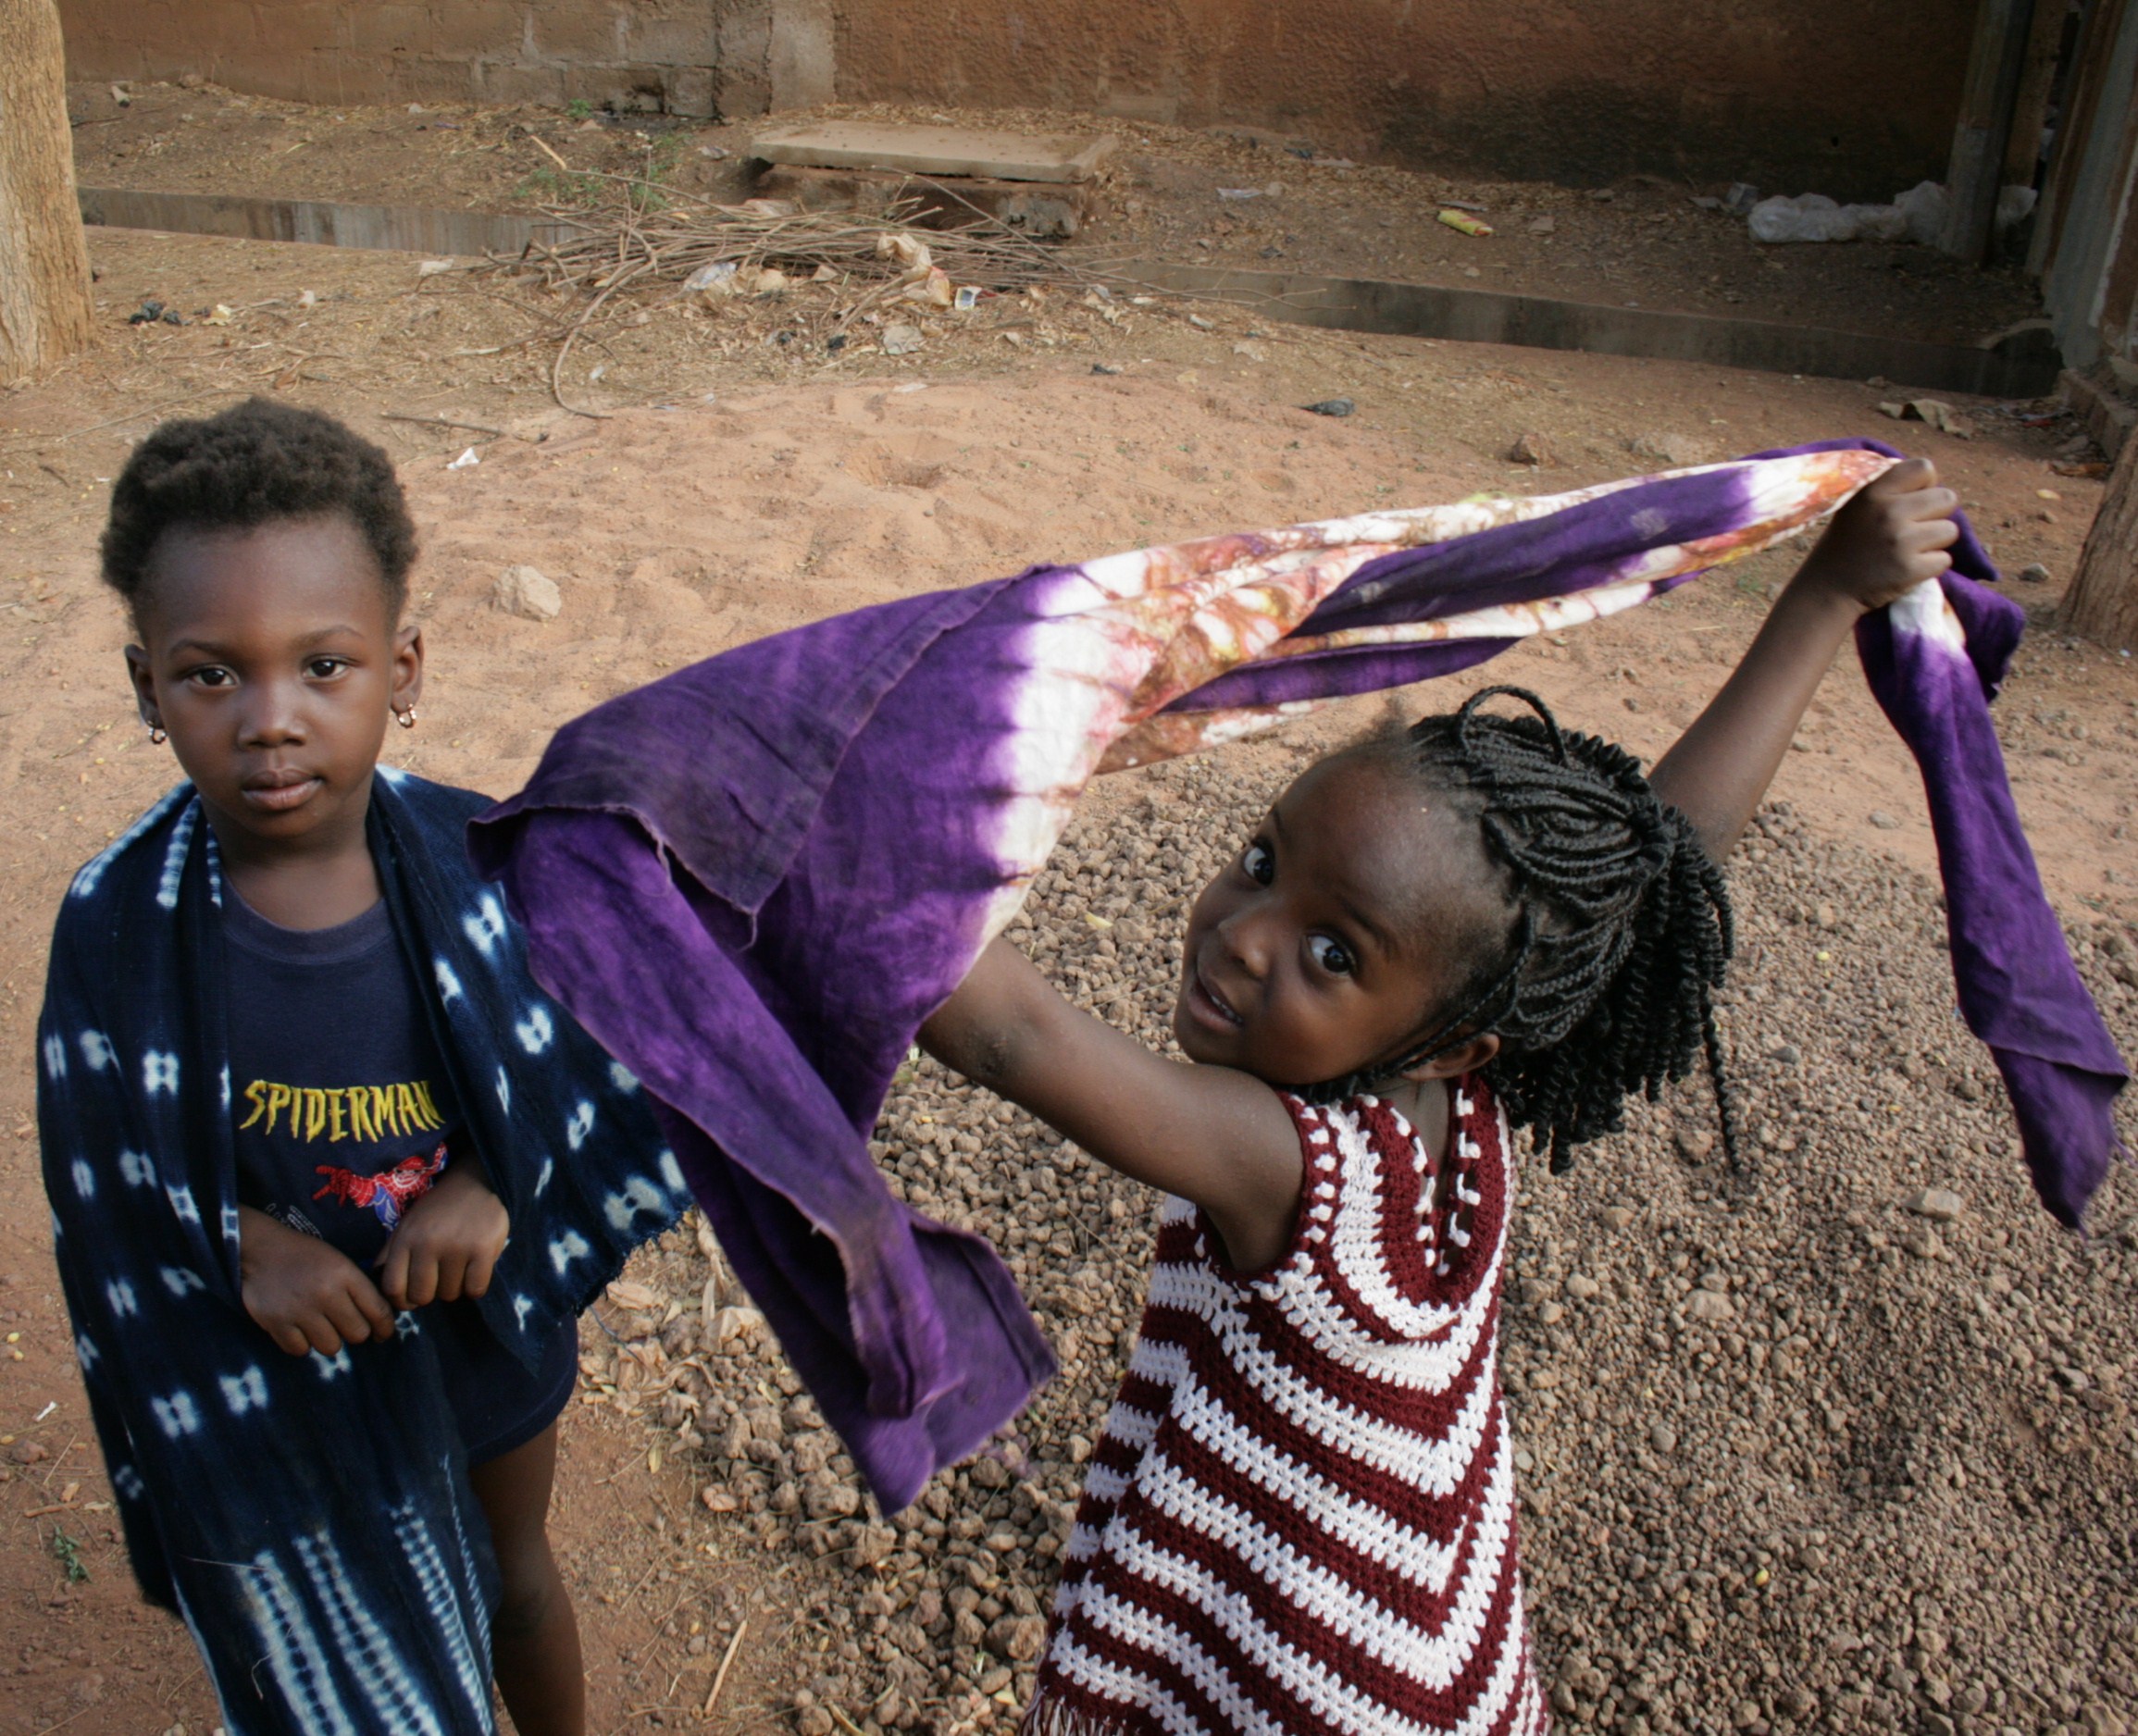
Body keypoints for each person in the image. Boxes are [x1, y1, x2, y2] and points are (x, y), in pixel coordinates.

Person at [917, 459, 1960, 1732]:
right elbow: (1668, 852)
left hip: (1295, 1676)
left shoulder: (1290, 1162)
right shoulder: (1461, 1079)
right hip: (1428, 1641)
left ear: (1448, 1042)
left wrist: (828, 832)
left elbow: (1014, 1040)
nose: (1246, 937)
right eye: (1261, 863)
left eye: (1332, 953)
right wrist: (1822, 598)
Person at [37, 399, 690, 1736]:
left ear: (402, 666)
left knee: (512, 1580)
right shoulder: (116, 926)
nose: (271, 720)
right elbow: (97, 1172)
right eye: (211, 673)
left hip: (483, 1331)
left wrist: (497, 1187)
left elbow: (608, 1055)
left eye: (321, 666)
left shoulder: (489, 865)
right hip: (279, 1360)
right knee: (324, 1621)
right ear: (144, 690)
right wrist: (237, 1243)